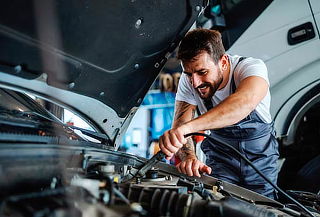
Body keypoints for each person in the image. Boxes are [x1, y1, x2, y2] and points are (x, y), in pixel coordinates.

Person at [159, 28, 279, 198]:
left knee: (264, 209)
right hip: (220, 162)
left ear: (223, 62)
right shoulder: (189, 82)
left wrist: (186, 129)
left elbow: (242, 104)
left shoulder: (251, 68)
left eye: (202, 72)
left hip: (260, 164)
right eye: (189, 74)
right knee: (217, 205)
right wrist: (189, 158)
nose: (195, 83)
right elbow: (180, 127)